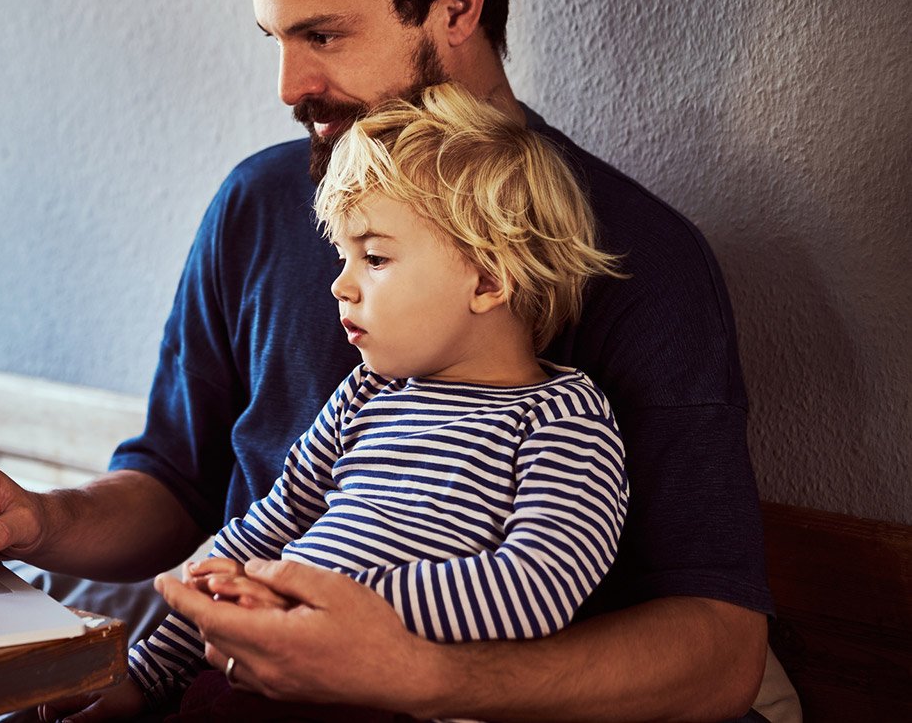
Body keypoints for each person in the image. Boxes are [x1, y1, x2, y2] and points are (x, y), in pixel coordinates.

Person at [0, 0, 782, 719]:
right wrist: (39, 518)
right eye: (274, 36)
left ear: (456, 9)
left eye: (323, 35)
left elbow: (719, 650)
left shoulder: (629, 257)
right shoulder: (262, 202)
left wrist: (422, 672)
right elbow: (179, 488)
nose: (287, 84)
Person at [64, 84, 629, 718]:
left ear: (490, 278)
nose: (340, 284)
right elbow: (264, 531)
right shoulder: (364, 394)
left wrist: (338, 604)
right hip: (241, 678)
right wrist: (144, 676)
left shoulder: (562, 420)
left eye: (376, 258)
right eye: (343, 255)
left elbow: (538, 586)